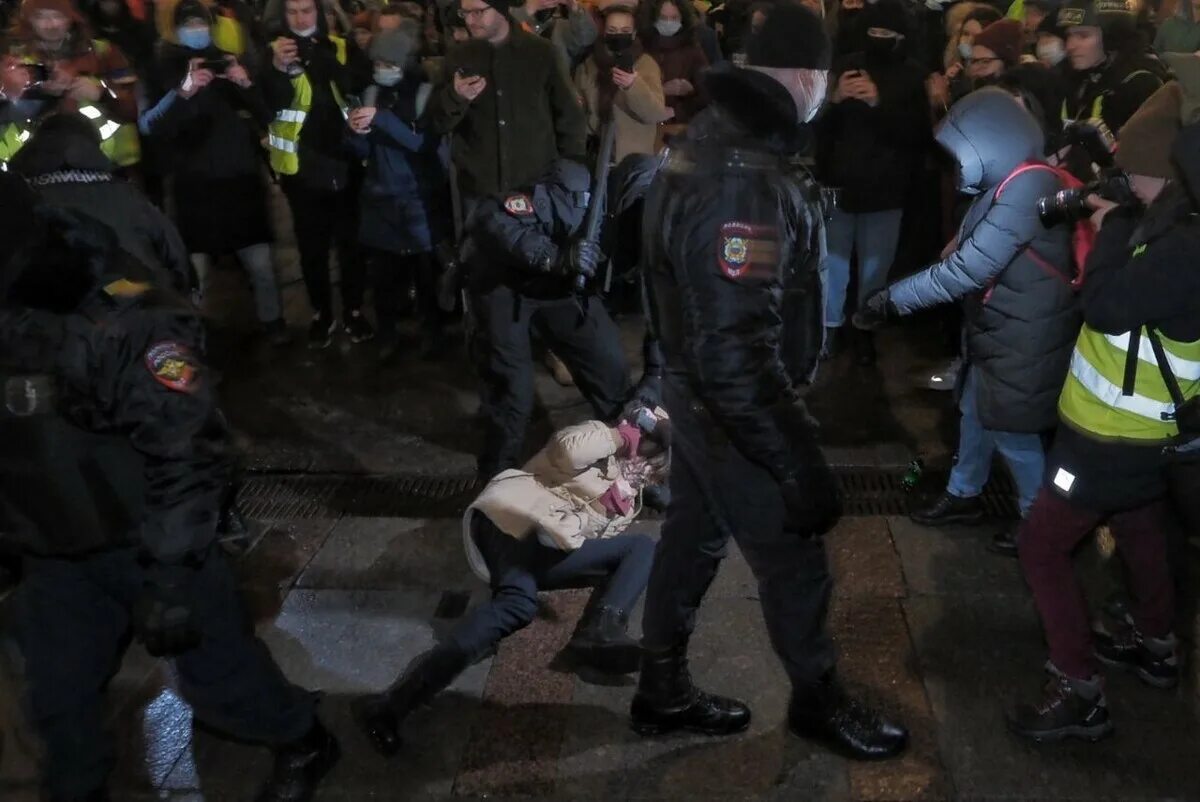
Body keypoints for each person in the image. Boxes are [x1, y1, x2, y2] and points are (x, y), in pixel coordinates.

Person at [633, 2, 908, 760]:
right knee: (795, 561)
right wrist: (797, 460)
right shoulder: (743, 180)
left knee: (690, 537)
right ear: (805, 77)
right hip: (732, 412)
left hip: (696, 396)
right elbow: (734, 352)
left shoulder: (723, 144)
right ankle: (819, 702)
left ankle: (661, 689)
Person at [0, 201, 339, 802]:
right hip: (53, 550)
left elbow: (187, 450)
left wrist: (172, 576)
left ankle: (303, 738)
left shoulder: (127, 319)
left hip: (148, 541)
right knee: (59, 699)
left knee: (219, 678)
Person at [1008, 81, 1199, 743]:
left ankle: (1078, 686)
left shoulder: (1182, 248)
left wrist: (1110, 223)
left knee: (1041, 547)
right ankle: (1156, 641)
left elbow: (1108, 306)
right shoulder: (1175, 225)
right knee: (1141, 524)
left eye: (1131, 174)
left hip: (1112, 434)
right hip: (1142, 436)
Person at [353, 411, 667, 755]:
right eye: (653, 461)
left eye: (656, 474)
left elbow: (580, 535)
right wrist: (623, 437)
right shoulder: (601, 436)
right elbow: (568, 451)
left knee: (641, 548)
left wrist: (610, 503)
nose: (648, 474)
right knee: (518, 604)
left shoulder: (631, 497)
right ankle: (391, 705)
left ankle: (603, 630)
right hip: (513, 519)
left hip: (551, 544)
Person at [859, 88, 1079, 554]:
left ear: (992, 142)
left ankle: (1039, 525)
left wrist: (890, 301)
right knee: (975, 413)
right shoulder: (1012, 180)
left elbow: (967, 270)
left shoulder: (1028, 190)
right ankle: (965, 493)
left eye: (962, 155)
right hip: (1002, 327)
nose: (956, 168)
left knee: (1013, 432)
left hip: (1025, 335)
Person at [465, 158, 632, 477]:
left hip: (560, 289)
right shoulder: (543, 197)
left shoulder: (619, 203)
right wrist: (553, 256)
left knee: (607, 364)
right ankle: (497, 475)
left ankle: (631, 455)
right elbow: (490, 218)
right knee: (513, 389)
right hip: (505, 288)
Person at [140, 0, 290, 345]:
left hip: (239, 178)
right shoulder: (161, 65)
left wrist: (245, 83)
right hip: (194, 183)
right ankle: (193, 336)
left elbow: (268, 114)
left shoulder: (229, 58)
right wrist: (184, 91)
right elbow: (150, 125)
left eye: (201, 23)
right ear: (176, 28)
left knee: (261, 263)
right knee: (196, 271)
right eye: (189, 24)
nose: (197, 30)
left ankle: (273, 322)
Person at [816, 0, 932, 366]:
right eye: (874, 33)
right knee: (832, 262)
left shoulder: (912, 75)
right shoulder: (847, 65)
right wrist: (833, 100)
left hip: (886, 186)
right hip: (839, 182)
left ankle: (865, 327)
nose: (879, 39)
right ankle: (830, 327)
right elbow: (820, 128)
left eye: (887, 35)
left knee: (874, 266)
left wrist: (880, 102)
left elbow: (917, 134)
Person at [262, 0, 374, 348]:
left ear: (321, 13)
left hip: (344, 160)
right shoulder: (271, 53)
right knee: (312, 246)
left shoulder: (341, 46)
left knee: (350, 243)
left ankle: (354, 311)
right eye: (292, 12)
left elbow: (359, 82)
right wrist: (279, 69)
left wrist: (322, 58)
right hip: (301, 167)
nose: (300, 18)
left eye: (306, 10)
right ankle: (321, 313)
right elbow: (264, 103)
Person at [346, 26, 450, 361]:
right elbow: (363, 152)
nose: (381, 68)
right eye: (377, 62)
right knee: (384, 280)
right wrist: (355, 132)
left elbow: (422, 143)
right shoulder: (372, 93)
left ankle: (432, 334)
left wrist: (383, 120)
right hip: (381, 200)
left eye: (388, 62)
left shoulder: (425, 95)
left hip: (418, 200)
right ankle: (387, 335)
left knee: (425, 276)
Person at [10, 112, 193, 296]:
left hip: (40, 318)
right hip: (137, 311)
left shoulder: (20, 201)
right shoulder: (130, 197)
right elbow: (176, 259)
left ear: (36, 147)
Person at [431, 0, 585, 204]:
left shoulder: (542, 54)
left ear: (500, 8)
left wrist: (568, 182)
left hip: (536, 190)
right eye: (465, 13)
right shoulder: (459, 58)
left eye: (477, 12)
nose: (469, 20)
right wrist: (456, 97)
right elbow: (437, 122)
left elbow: (570, 121)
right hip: (479, 193)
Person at [1, 0, 141, 171]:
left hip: (107, 168)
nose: (50, 24)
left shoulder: (104, 54)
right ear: (28, 20)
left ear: (71, 17)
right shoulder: (12, 61)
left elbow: (133, 110)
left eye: (57, 16)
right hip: (34, 166)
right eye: (40, 17)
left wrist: (101, 93)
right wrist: (19, 93)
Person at [1057, 0, 1167, 175]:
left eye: (1083, 36)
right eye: (1069, 36)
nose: (1070, 46)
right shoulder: (1071, 76)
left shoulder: (1140, 84)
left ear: (1112, 37)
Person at [575, 3, 671, 162]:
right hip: (594, 154)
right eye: (612, 30)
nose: (618, 35)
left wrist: (632, 86)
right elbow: (579, 111)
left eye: (625, 31)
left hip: (630, 158)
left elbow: (655, 113)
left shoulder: (645, 64)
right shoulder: (588, 65)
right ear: (604, 32)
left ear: (633, 34)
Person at [639, 0, 708, 124]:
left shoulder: (692, 49)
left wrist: (690, 92)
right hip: (643, 126)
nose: (668, 23)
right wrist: (662, 90)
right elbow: (629, 91)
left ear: (683, 18)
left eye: (674, 18)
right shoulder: (641, 47)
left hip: (677, 127)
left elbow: (706, 93)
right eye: (663, 18)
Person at [509, 0, 597, 73]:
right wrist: (528, 9)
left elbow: (587, 38)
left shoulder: (561, 27)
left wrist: (575, 8)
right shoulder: (510, 13)